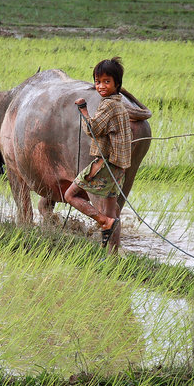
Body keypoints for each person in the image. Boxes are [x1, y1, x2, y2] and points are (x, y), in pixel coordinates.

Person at [64, 57, 132, 249]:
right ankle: (112, 255)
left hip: (106, 164)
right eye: (97, 81)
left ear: (117, 84)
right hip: (119, 166)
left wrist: (84, 110)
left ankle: (103, 222)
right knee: (113, 210)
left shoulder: (108, 105)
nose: (101, 86)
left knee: (70, 195)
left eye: (106, 81)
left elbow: (92, 129)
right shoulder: (119, 104)